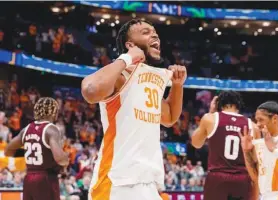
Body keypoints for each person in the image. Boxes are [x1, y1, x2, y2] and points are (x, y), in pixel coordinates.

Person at [81, 19, 186, 200]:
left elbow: (169, 118)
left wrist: (177, 85)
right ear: (130, 44)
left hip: (147, 183)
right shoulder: (121, 75)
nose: (154, 35)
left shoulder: (150, 78)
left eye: (154, 32)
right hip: (116, 184)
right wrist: (127, 57)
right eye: (145, 32)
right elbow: (91, 91)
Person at [191, 91, 257, 200]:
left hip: (217, 178)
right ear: (238, 105)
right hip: (242, 179)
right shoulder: (253, 126)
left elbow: (196, 143)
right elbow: (256, 162)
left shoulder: (210, 119)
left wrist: (210, 112)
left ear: (219, 105)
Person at [4, 97, 69, 200]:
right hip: (46, 179)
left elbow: (8, 151)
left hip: (29, 179)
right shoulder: (51, 129)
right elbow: (60, 159)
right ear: (54, 112)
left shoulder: (26, 129)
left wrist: (26, 152)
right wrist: (66, 158)